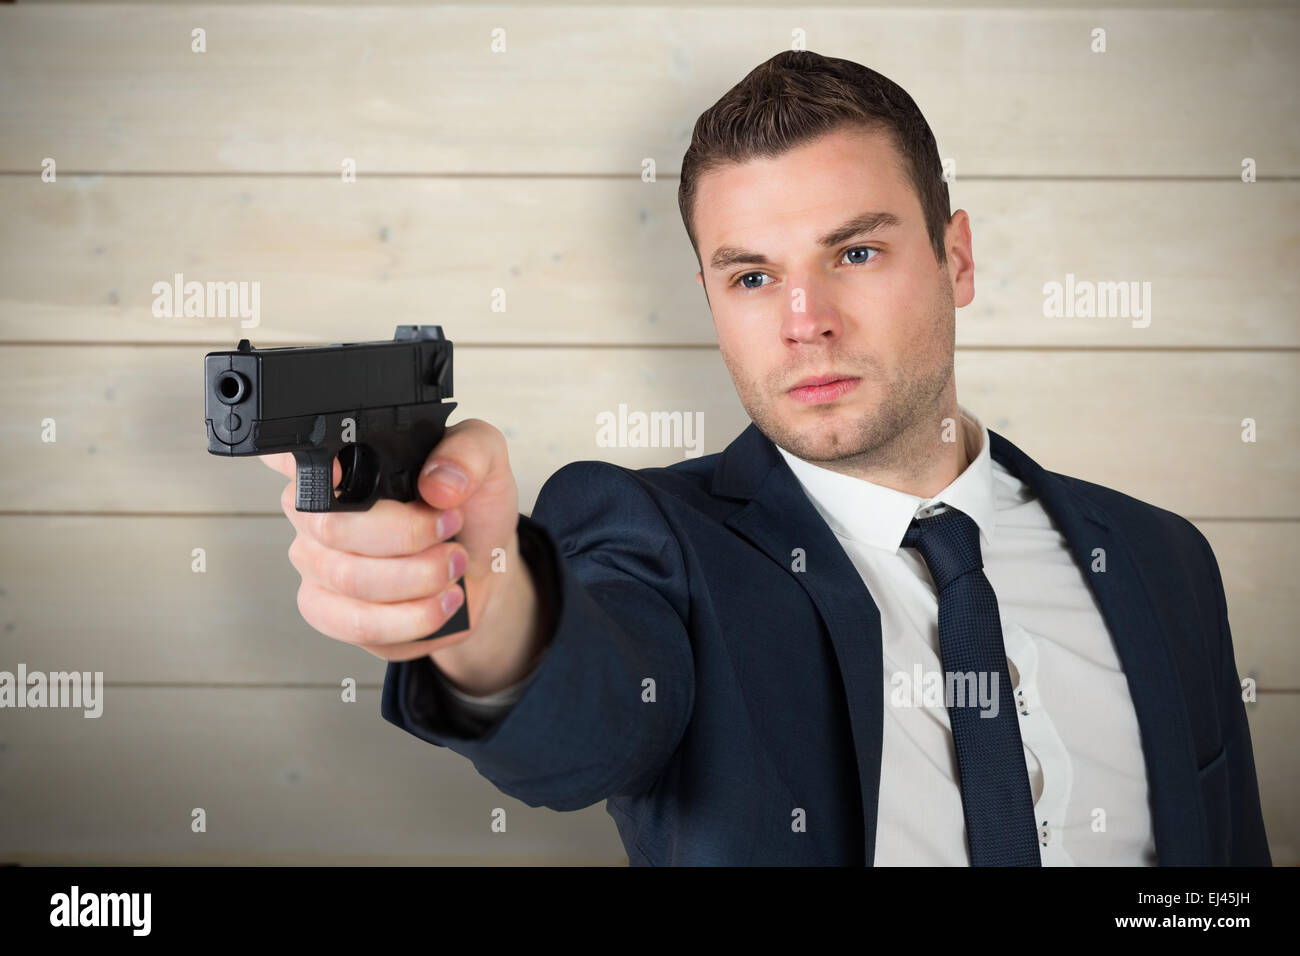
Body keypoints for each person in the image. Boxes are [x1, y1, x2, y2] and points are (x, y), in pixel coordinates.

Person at [261, 50, 1270, 866]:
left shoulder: (1160, 558)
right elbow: (582, 724)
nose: (806, 322)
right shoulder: (656, 539)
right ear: (710, 296)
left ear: (956, 256)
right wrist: (480, 597)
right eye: (751, 275)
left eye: (855, 254)